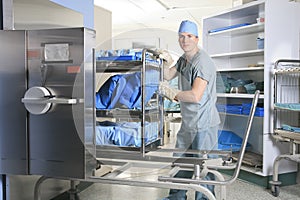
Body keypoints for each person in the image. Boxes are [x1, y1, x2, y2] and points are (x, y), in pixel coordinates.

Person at [160, 20, 220, 200]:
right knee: (181, 162)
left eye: (189, 36)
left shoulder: (203, 62)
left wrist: (173, 93)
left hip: (204, 123)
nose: (184, 40)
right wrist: (166, 61)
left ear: (196, 38)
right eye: (181, 36)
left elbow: (195, 96)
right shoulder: (183, 60)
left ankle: (205, 198)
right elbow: (168, 75)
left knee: (204, 167)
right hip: (189, 123)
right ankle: (176, 197)